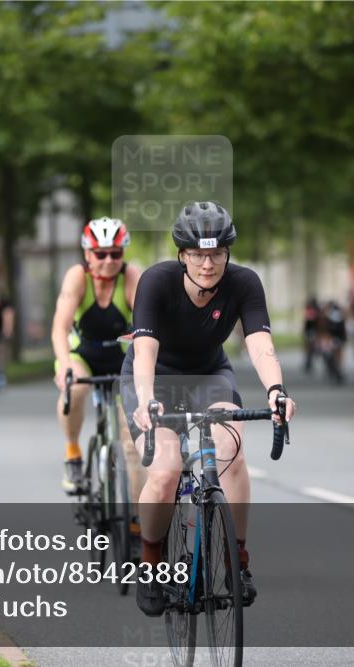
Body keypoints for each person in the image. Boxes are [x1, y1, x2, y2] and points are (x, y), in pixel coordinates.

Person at [121, 201, 296, 616]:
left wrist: (276, 389)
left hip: (209, 375)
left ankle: (238, 559)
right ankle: (150, 564)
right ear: (182, 255)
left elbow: (259, 342)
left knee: (231, 451)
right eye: (198, 254)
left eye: (216, 253)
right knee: (164, 473)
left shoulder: (245, 283)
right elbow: (144, 350)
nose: (207, 263)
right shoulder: (156, 281)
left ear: (227, 253)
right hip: (154, 379)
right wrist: (146, 399)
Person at [51, 217, 141, 493]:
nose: (108, 260)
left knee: (133, 436)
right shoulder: (78, 276)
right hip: (82, 355)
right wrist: (65, 366)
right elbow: (59, 328)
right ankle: (73, 454)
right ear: (88, 254)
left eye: (115, 253)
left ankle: (138, 525)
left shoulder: (131, 276)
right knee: (75, 388)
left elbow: (147, 326)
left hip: (121, 356)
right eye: (100, 254)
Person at [317, 299, 347, 383]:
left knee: (335, 355)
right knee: (331, 355)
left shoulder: (327, 316)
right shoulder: (325, 317)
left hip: (334, 338)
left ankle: (337, 369)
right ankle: (336, 369)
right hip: (330, 339)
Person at [303, 296, 321, 373]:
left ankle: (309, 362)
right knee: (310, 347)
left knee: (310, 347)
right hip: (311, 330)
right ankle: (308, 362)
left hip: (312, 330)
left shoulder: (313, 309)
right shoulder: (314, 309)